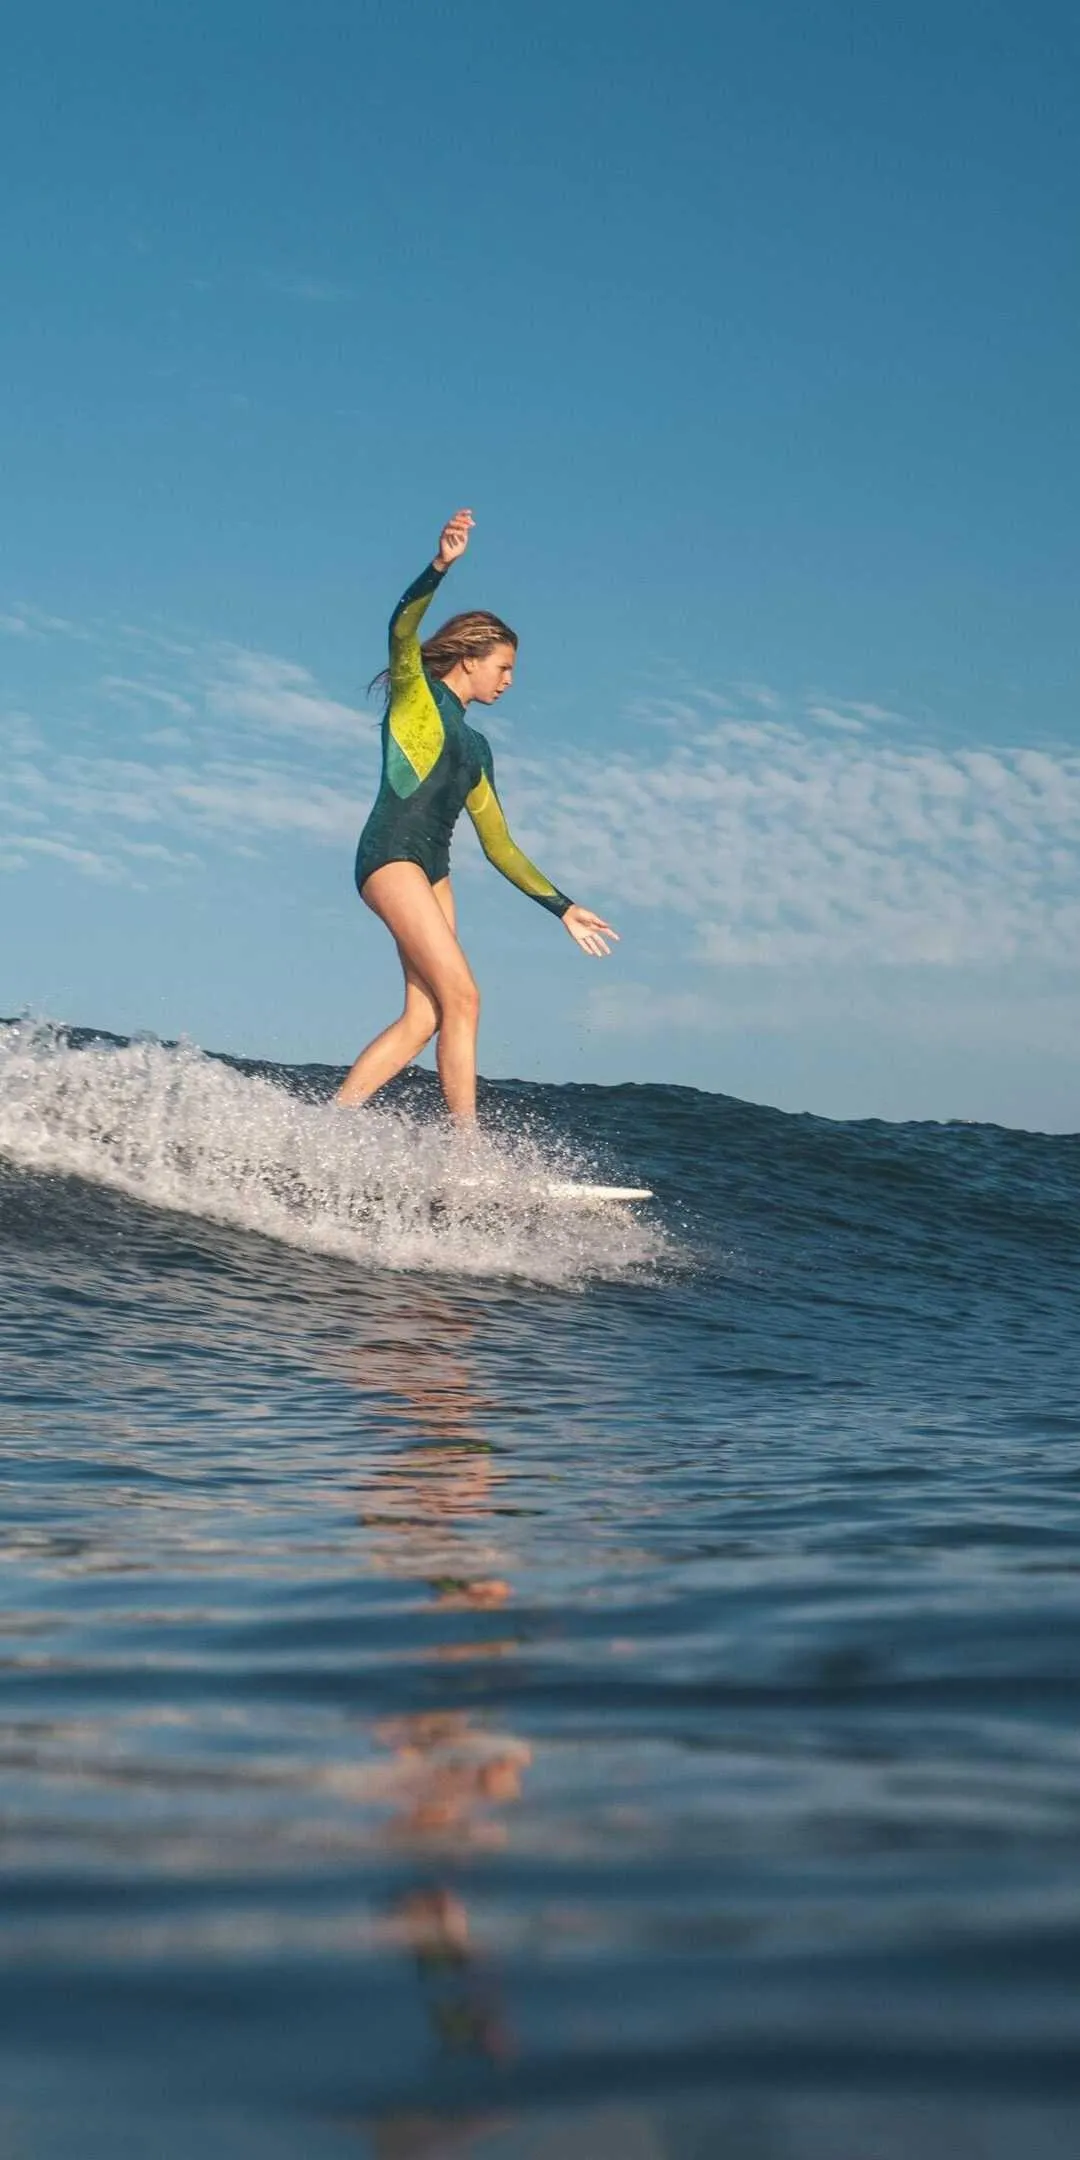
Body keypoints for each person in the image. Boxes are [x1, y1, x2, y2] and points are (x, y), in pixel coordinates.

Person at [337, 509, 617, 1119]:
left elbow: (500, 845)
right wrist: (440, 566)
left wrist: (563, 907)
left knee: (426, 1016)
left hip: (433, 869)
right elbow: (402, 628)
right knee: (464, 997)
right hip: (390, 855)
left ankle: (331, 1124)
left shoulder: (478, 749)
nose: (510, 681)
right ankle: (467, 1159)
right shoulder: (418, 696)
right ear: (470, 658)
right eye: (504, 667)